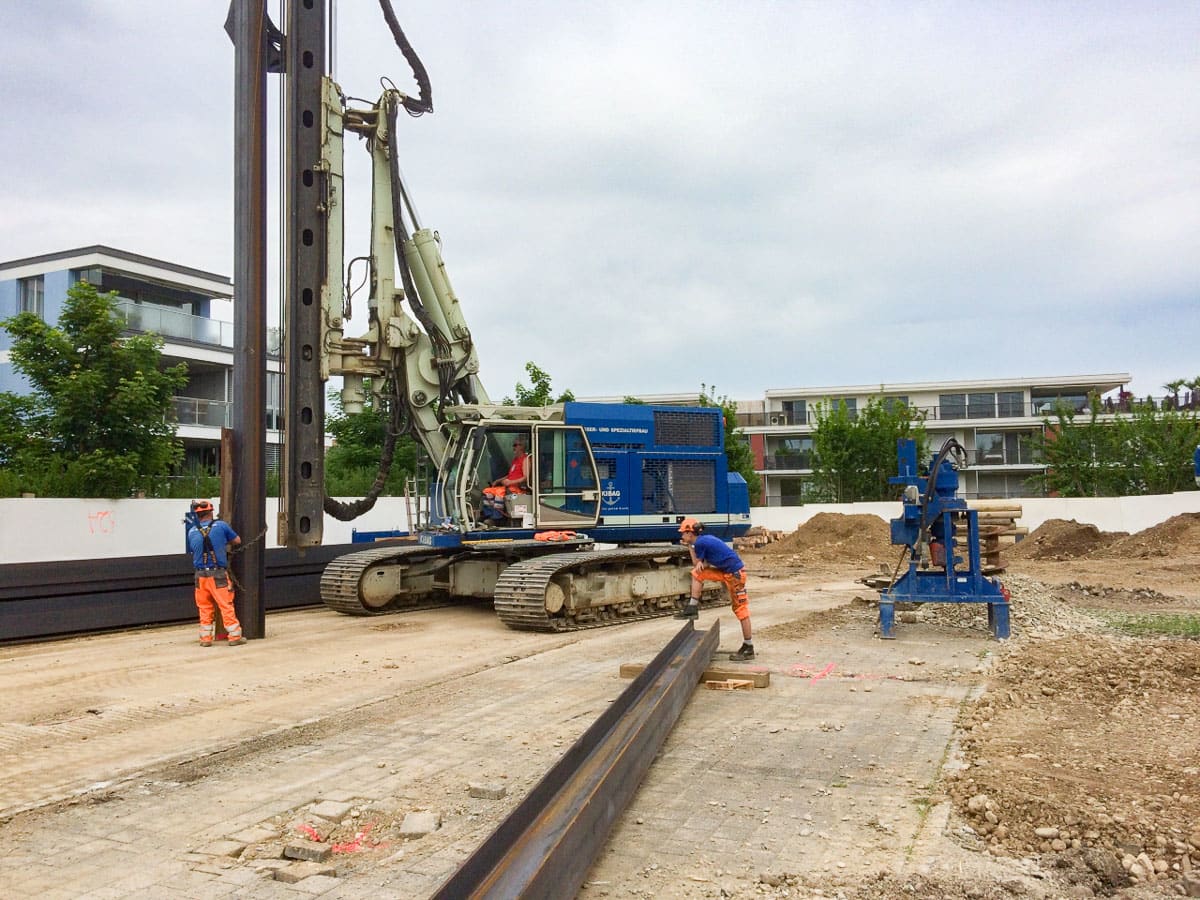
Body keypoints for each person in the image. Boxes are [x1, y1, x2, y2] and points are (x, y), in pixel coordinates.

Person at [674, 517, 755, 661]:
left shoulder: (699, 543)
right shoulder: (704, 540)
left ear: (690, 533)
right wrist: (692, 549)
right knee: (697, 573)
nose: (681, 535)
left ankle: (748, 647)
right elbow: (702, 565)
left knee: (741, 610)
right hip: (728, 573)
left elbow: (696, 562)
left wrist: (689, 547)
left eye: (683, 533)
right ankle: (692, 607)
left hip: (735, 576)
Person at [186, 499, 245, 647]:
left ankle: (205, 639)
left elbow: (194, 548)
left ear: (197, 515)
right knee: (225, 604)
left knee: (204, 607)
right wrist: (222, 541)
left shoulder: (191, 531)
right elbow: (237, 540)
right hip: (217, 574)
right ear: (211, 512)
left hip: (200, 576)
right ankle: (234, 636)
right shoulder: (221, 526)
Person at [482, 436, 530, 522]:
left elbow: (525, 478)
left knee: (499, 494)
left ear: (522, 446)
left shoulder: (525, 459)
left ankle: (497, 519)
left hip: (517, 489)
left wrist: (510, 482)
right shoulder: (515, 460)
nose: (513, 447)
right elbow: (510, 475)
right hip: (509, 487)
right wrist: (498, 480)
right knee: (487, 492)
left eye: (515, 445)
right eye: (513, 445)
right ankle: (489, 515)